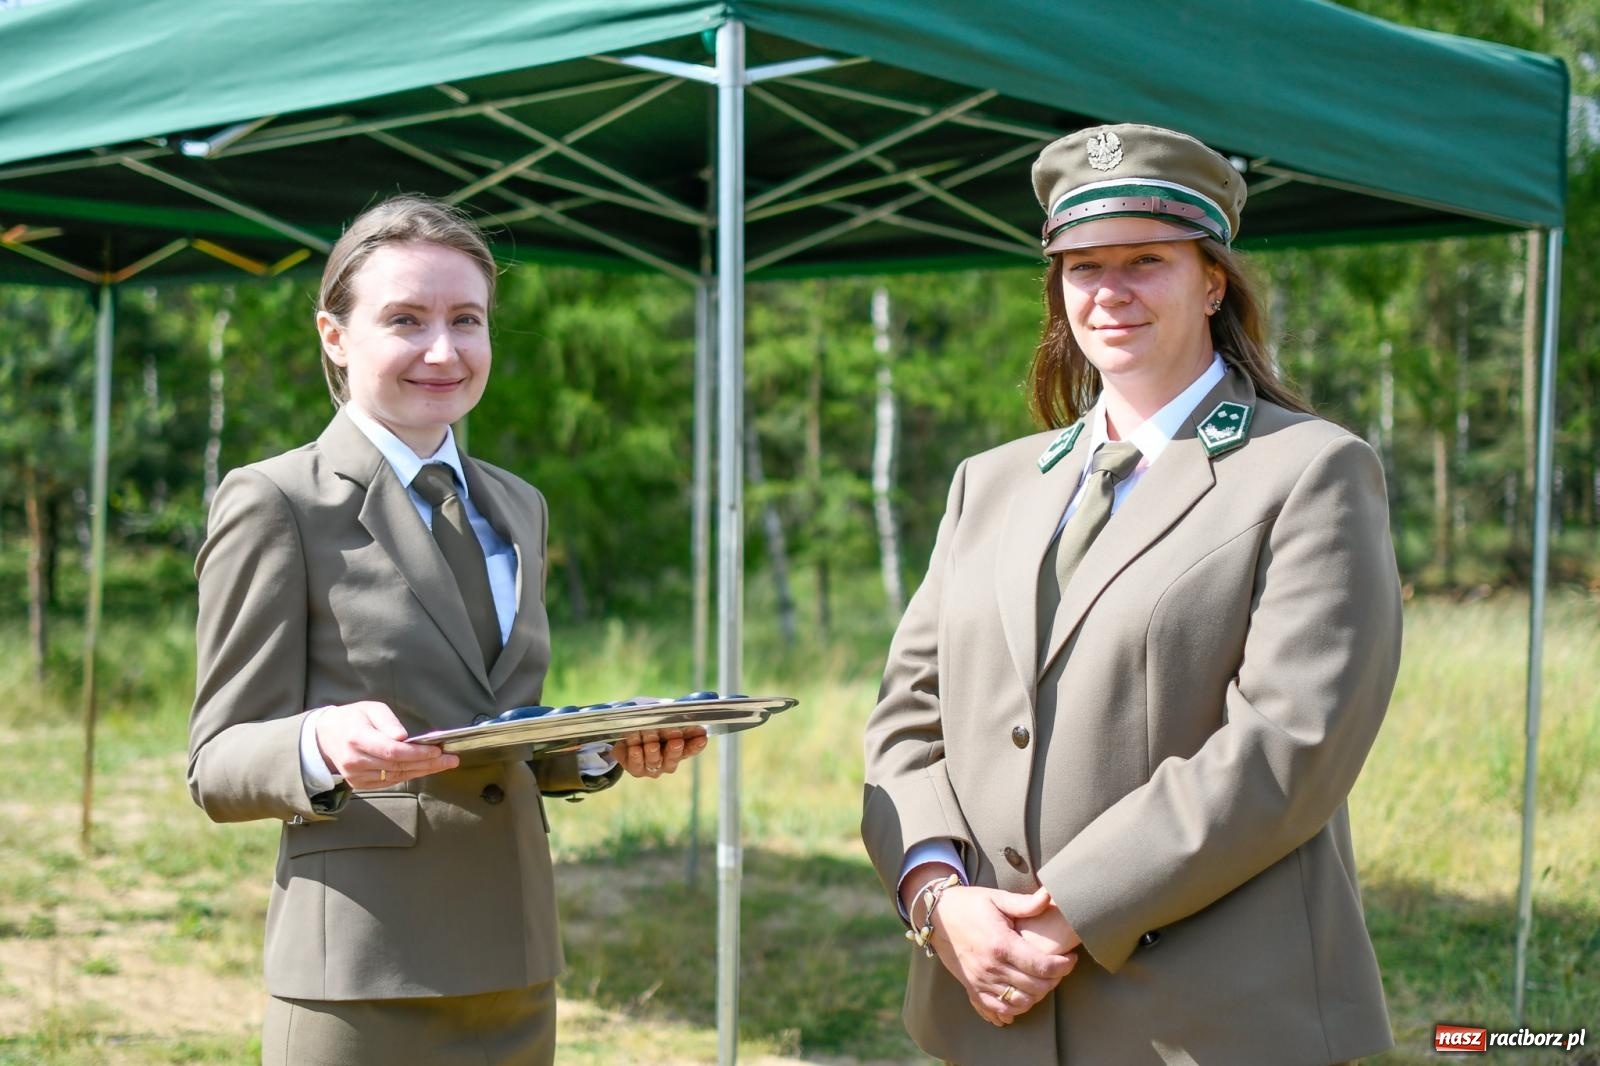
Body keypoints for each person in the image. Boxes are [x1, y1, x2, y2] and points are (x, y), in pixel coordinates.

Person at [861, 124, 1403, 1064]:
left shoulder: (1310, 470)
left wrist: (1062, 911)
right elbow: (909, 718)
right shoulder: (987, 482)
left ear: (1211, 279)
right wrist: (938, 899)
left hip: (1207, 1019)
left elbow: (1289, 744)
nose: (1108, 292)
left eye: (1145, 261)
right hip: (989, 1010)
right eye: (1082, 266)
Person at [188, 194, 706, 1065]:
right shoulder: (278, 502)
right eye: (406, 319)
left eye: (467, 319)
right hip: (362, 974)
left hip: (515, 963)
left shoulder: (517, 505)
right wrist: (321, 743)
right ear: (334, 336)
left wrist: (597, 750)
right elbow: (216, 765)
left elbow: (497, 730)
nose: (444, 349)